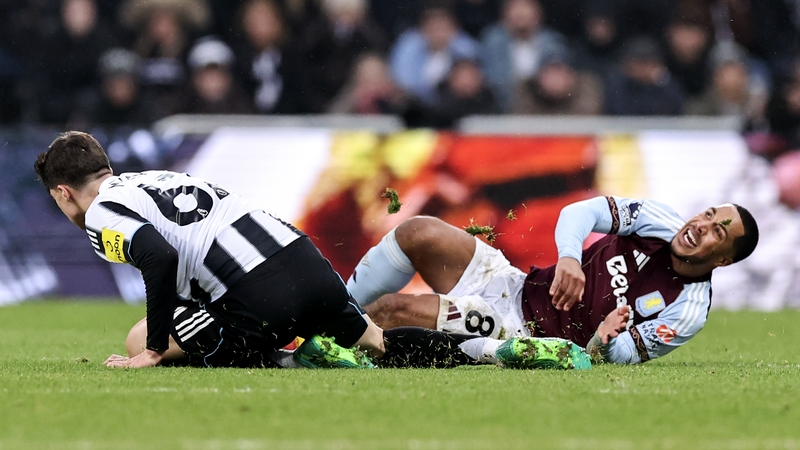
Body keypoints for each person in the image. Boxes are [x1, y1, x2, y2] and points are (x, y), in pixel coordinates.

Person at [33, 131, 592, 371]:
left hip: (258, 297)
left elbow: (157, 257)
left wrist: (156, 347)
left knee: (137, 337)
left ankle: (296, 355)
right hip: (304, 261)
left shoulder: (101, 212)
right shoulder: (153, 178)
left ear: (63, 192)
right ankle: (500, 352)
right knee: (377, 341)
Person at [346, 195, 759, 364]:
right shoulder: (661, 220)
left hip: (518, 331)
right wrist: (569, 258)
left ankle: (320, 346)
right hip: (514, 284)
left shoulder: (687, 311)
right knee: (419, 231)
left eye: (717, 232)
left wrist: (605, 339)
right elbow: (579, 213)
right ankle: (332, 307)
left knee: (392, 311)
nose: (701, 226)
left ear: (723, 260)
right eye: (708, 215)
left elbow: (617, 357)